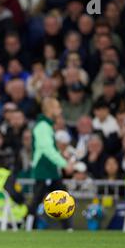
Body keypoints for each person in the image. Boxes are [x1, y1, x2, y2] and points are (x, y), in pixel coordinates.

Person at [29, 97, 73, 230]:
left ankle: (67, 228)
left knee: (58, 197)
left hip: (49, 169)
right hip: (44, 169)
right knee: (39, 200)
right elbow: (47, 150)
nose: (60, 110)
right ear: (50, 109)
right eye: (57, 107)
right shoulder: (43, 126)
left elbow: (48, 148)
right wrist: (64, 164)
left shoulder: (46, 125)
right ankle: (28, 225)